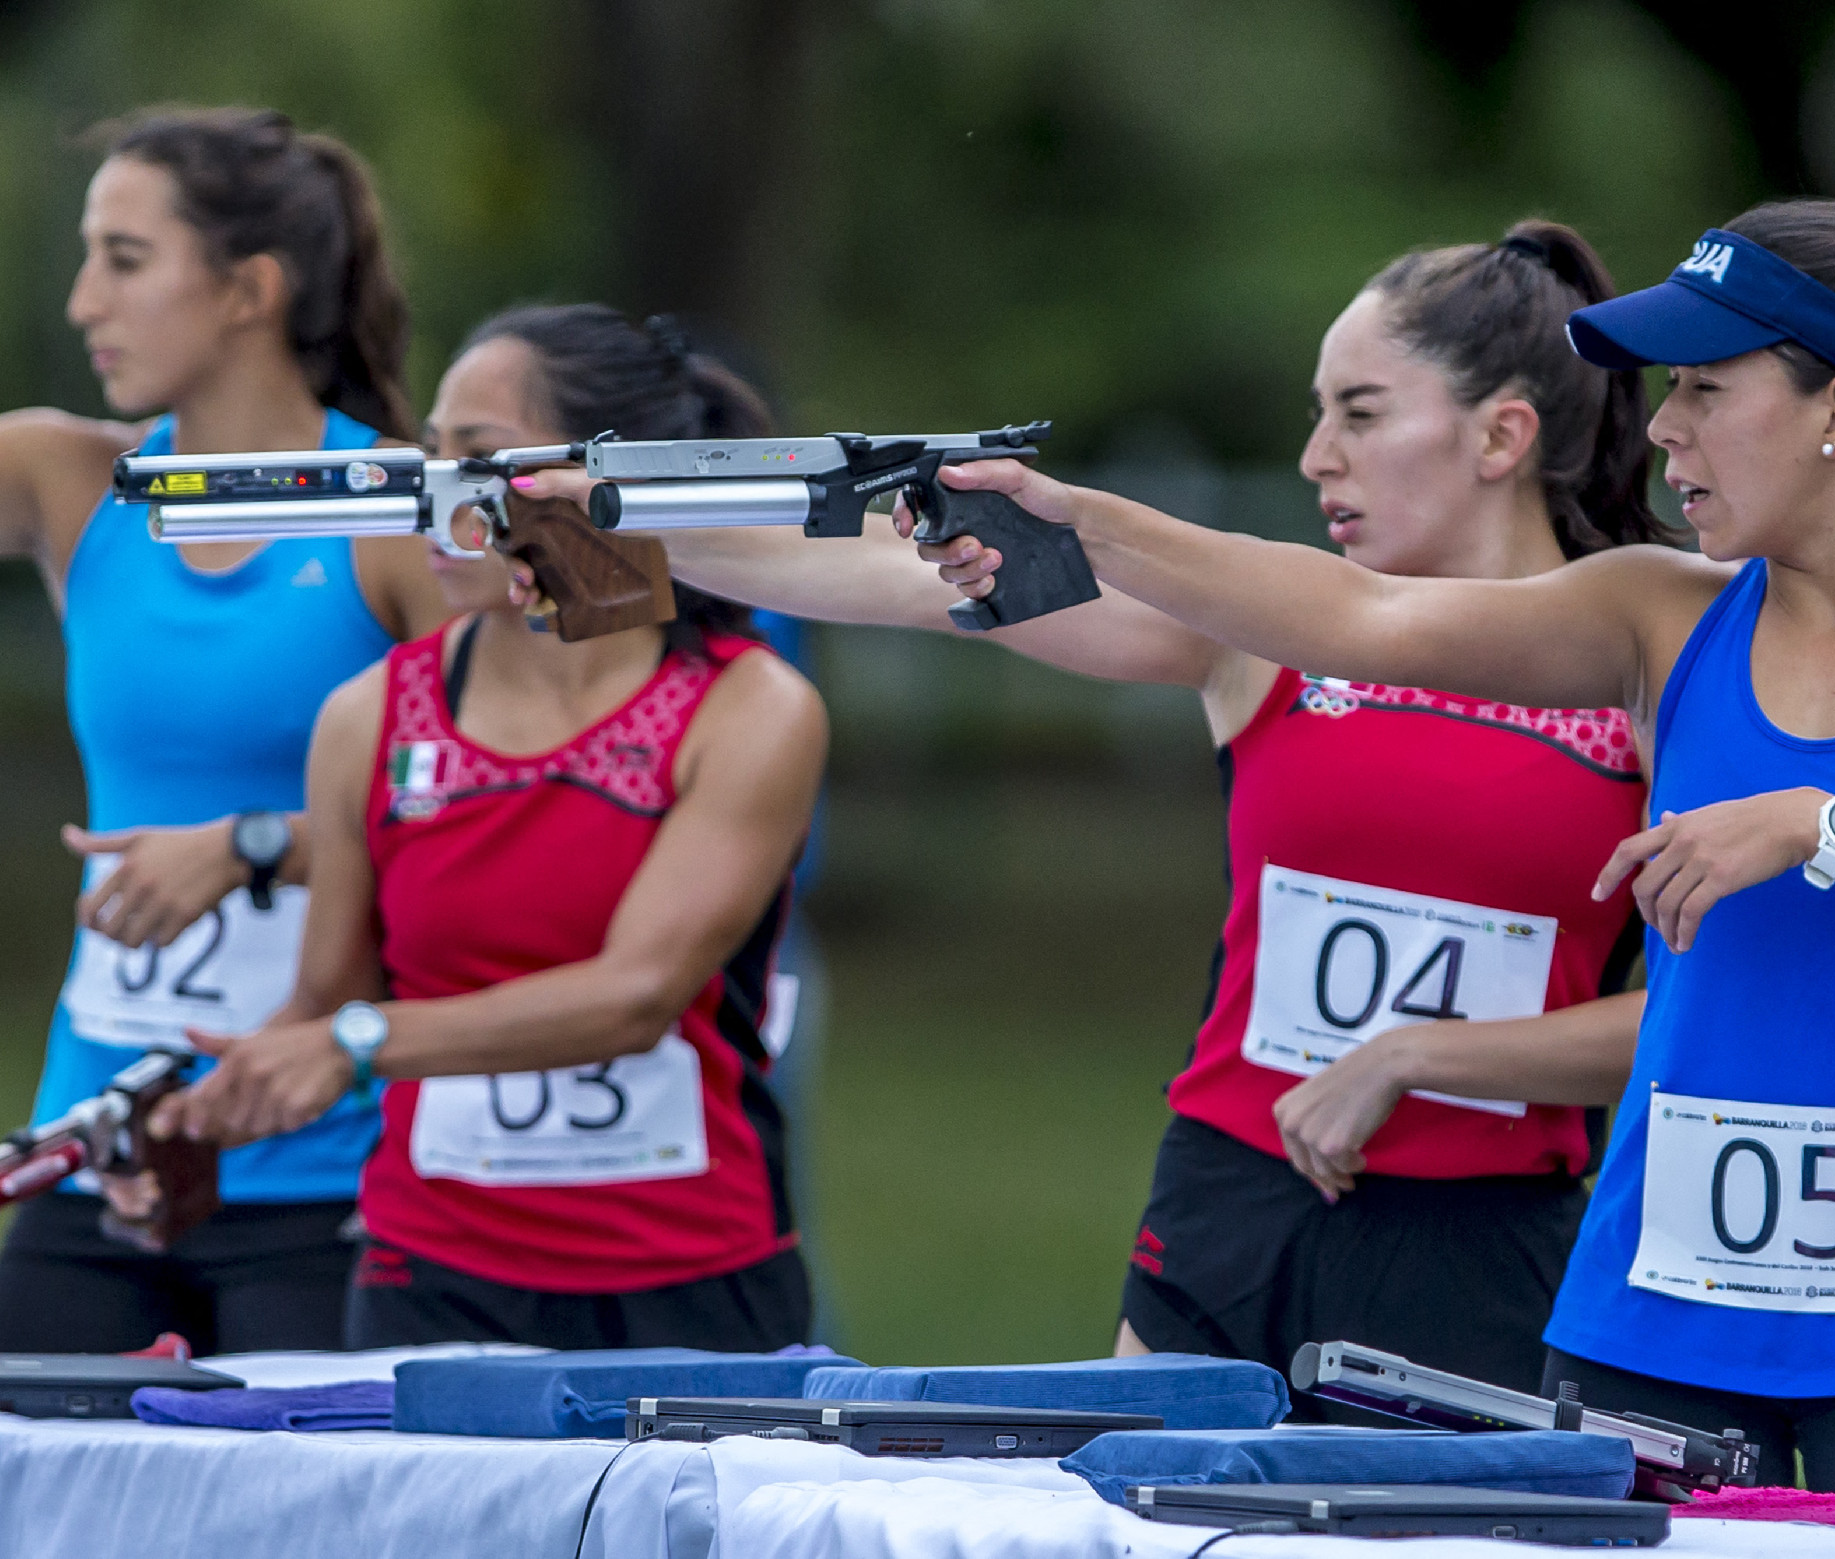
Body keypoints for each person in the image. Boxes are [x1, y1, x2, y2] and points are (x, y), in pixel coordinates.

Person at [921, 200, 1835, 1506]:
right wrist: (1080, 520)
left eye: (1704, 386)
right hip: (1651, 1318)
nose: (1665, 426)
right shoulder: (1659, 610)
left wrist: (1828, 829)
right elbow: (1365, 615)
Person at [536, 222, 1667, 1400]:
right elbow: (895, 575)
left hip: (1487, 1242)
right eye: (1316, 410)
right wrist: (613, 512)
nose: (1313, 455)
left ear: (1501, 434)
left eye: (1361, 413)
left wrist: (1422, 1054)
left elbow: (1694, 1020)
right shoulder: (1264, 629)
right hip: (1232, 1209)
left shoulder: (1640, 675)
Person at [152, 304, 827, 1352]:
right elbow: (328, 1000)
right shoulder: (369, 713)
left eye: (475, 458)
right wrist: (205, 1107)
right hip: (432, 1276)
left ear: (609, 476)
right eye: (428, 454)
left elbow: (634, 994)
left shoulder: (749, 708)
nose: (434, 495)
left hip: (693, 1280)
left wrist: (358, 1041)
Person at [0, 107, 448, 1354]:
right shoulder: (63, 476)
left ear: (249, 287)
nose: (85, 299)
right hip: (94, 1155)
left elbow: (483, 805)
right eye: (88, 257)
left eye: (126, 259)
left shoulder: (398, 510)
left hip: (325, 1173)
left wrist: (252, 845)